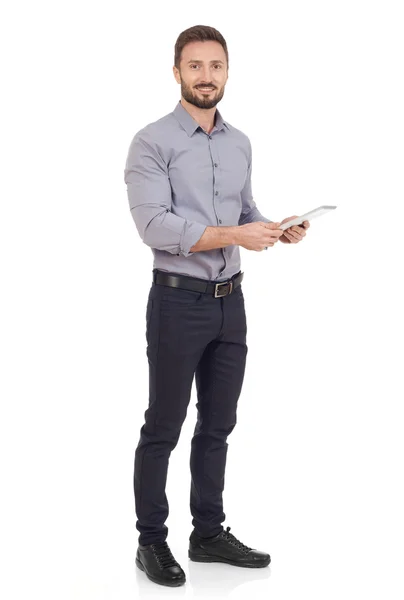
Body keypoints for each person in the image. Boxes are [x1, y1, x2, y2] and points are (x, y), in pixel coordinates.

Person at [124, 24, 310, 588]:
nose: (207, 76)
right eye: (196, 66)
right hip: (179, 303)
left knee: (219, 424)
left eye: (217, 66)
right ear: (177, 72)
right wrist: (237, 232)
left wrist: (276, 228)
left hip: (233, 303)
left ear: (228, 72)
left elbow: (245, 209)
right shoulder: (151, 141)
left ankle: (207, 532)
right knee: (164, 425)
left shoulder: (239, 142)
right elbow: (154, 225)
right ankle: (151, 541)